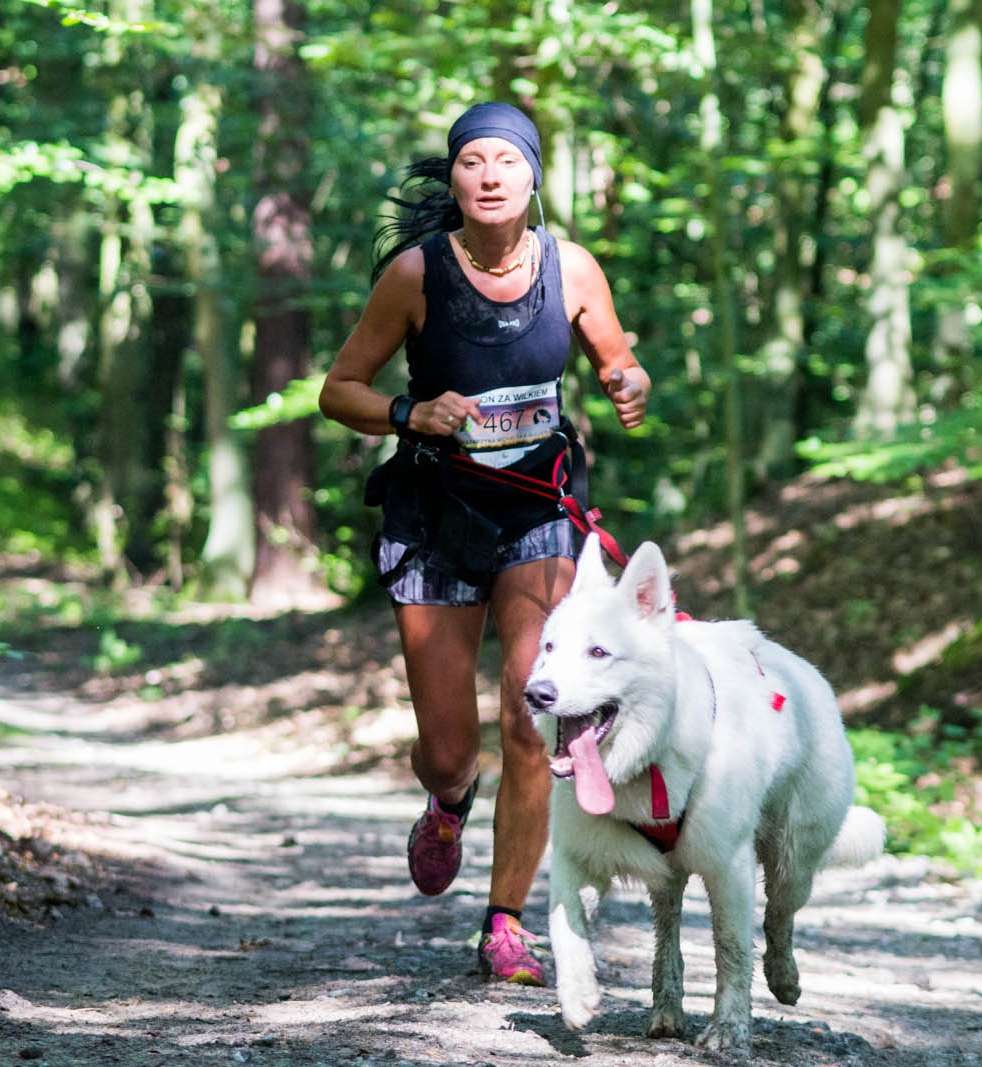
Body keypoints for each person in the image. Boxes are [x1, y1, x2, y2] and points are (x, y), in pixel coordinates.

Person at [318, 101, 650, 985]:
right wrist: (408, 411)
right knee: (451, 747)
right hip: (433, 514)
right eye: (474, 161)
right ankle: (450, 799)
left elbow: (617, 356)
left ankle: (505, 920)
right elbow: (338, 388)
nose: (491, 174)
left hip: (538, 510)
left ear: (534, 176)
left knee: (534, 719)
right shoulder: (415, 276)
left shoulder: (572, 269)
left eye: (508, 159)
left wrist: (628, 381)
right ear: (457, 179)